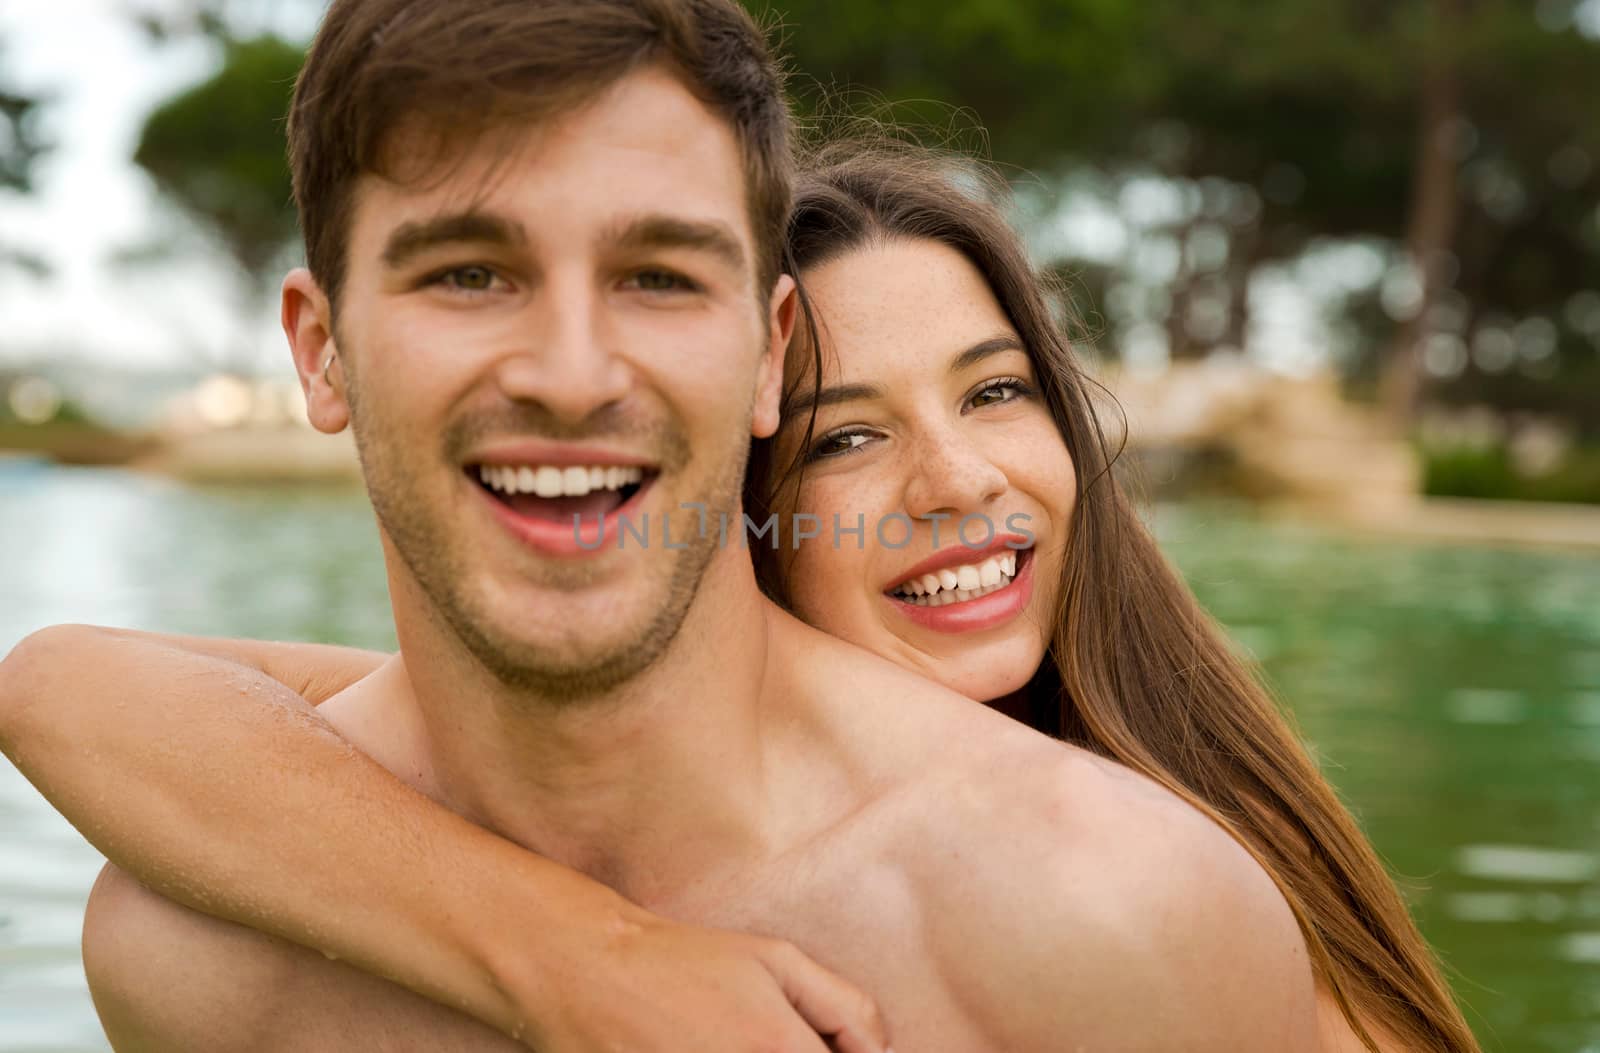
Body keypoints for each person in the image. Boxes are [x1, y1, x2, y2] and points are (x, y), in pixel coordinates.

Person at [0, 3, 1481, 1053]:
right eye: (467, 271)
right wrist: (582, 958)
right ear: (320, 351)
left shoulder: (1123, 903)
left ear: (762, 357)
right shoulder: (200, 948)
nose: (572, 372)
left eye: (659, 276)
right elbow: (71, 686)